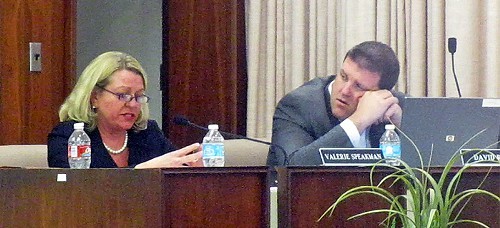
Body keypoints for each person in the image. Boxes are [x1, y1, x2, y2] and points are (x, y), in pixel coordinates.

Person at [48, 51, 202, 168]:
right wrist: (142, 172)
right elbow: (77, 189)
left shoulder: (148, 133)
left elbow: (175, 173)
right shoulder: (68, 135)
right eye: (123, 95)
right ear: (94, 97)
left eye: (139, 96)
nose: (133, 104)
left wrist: (194, 168)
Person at [267, 41, 405, 166]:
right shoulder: (297, 106)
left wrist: (405, 127)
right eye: (343, 77)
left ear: (381, 94)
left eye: (359, 86)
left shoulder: (397, 107)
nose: (344, 91)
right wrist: (358, 121)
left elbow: (424, 178)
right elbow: (290, 168)